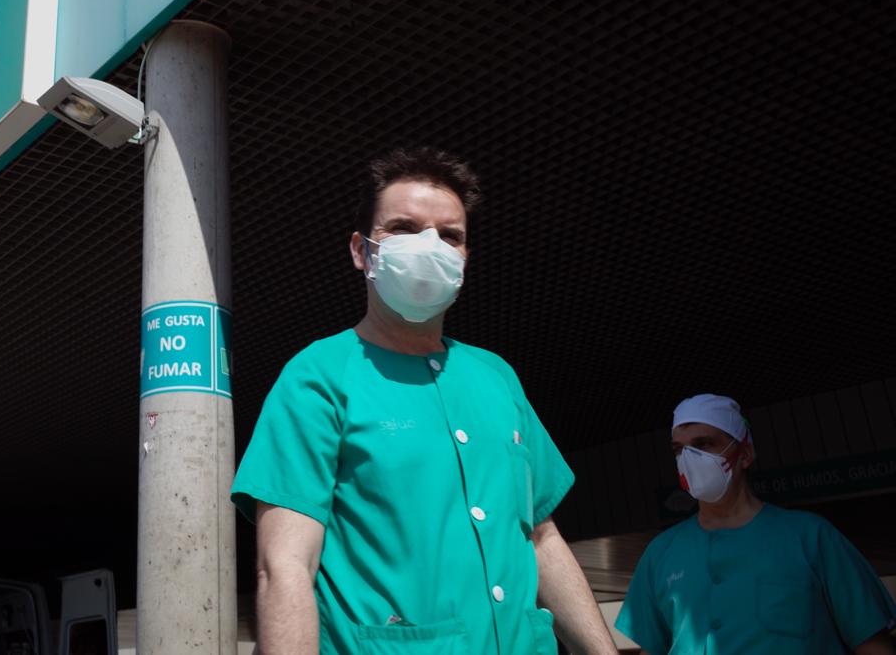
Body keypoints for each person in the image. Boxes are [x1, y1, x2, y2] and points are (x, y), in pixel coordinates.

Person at [230, 147, 617, 654]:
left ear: (464, 259)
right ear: (361, 250)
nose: (428, 246)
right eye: (404, 227)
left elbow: (541, 538)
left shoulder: (495, 376)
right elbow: (283, 567)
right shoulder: (318, 376)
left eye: (450, 235)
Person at [615, 393, 896, 654]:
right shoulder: (660, 553)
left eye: (703, 444)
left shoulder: (811, 536)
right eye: (679, 449)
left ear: (745, 454)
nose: (689, 458)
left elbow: (874, 645)